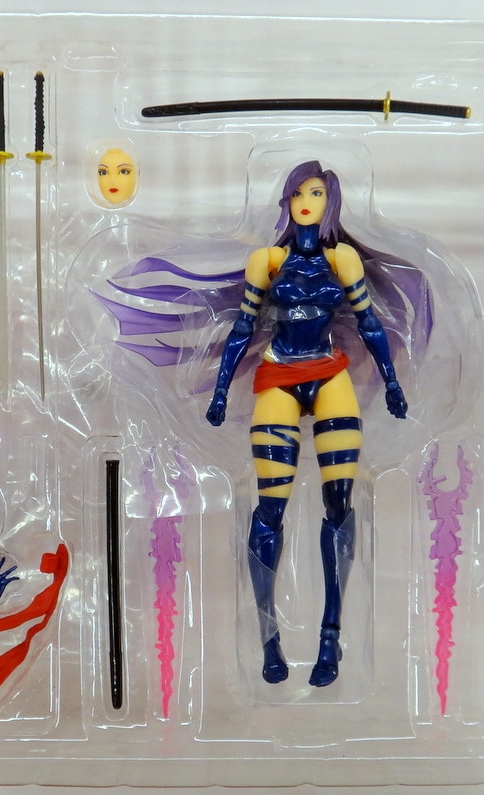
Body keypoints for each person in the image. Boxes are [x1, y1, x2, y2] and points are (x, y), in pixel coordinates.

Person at [206, 160, 407, 686]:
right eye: (297, 193)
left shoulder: (343, 260)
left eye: (315, 193)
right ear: (286, 200)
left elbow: (369, 323)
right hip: (278, 374)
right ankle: (269, 638)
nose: (305, 202)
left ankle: (330, 637)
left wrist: (391, 381)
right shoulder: (268, 260)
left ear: (330, 202)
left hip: (329, 372)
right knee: (269, 507)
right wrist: (222, 389)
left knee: (339, 501)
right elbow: (241, 327)